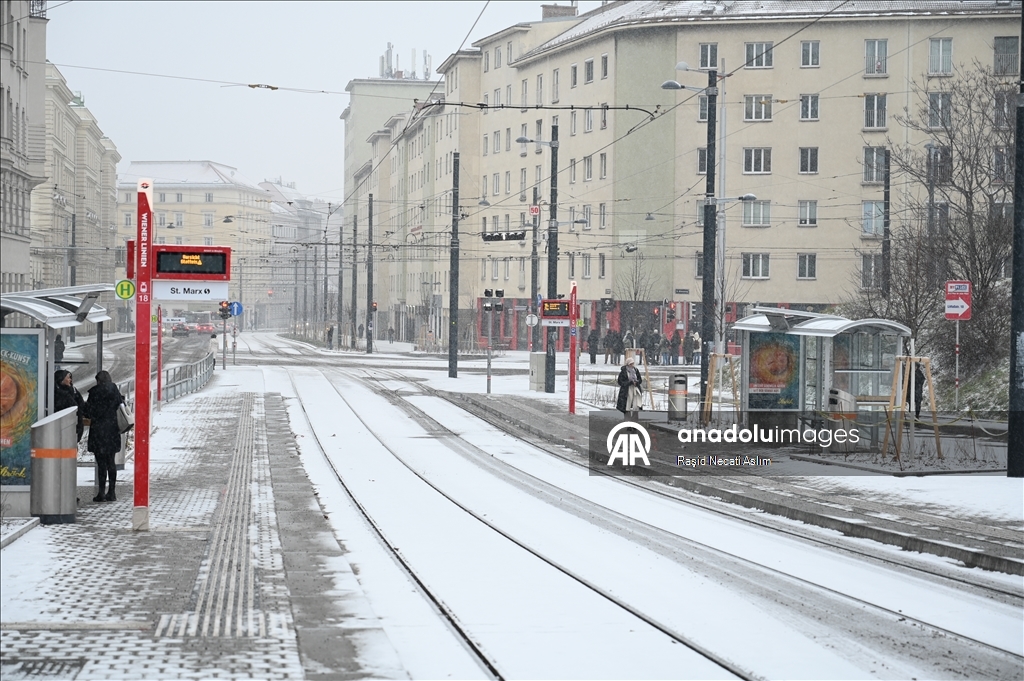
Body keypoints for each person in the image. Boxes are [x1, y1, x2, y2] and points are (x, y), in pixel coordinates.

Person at [85, 371, 125, 503]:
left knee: (101, 463)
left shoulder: (94, 392)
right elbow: (120, 405)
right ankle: (112, 492)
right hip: (112, 430)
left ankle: (101, 493)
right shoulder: (114, 390)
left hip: (98, 431)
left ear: (98, 380)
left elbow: (89, 411)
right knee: (111, 462)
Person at [53, 369, 85, 442]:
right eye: (68, 377)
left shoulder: (73, 390)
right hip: (65, 427)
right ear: (61, 380)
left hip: (74, 427)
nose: (70, 380)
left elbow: (81, 404)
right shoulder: (58, 394)